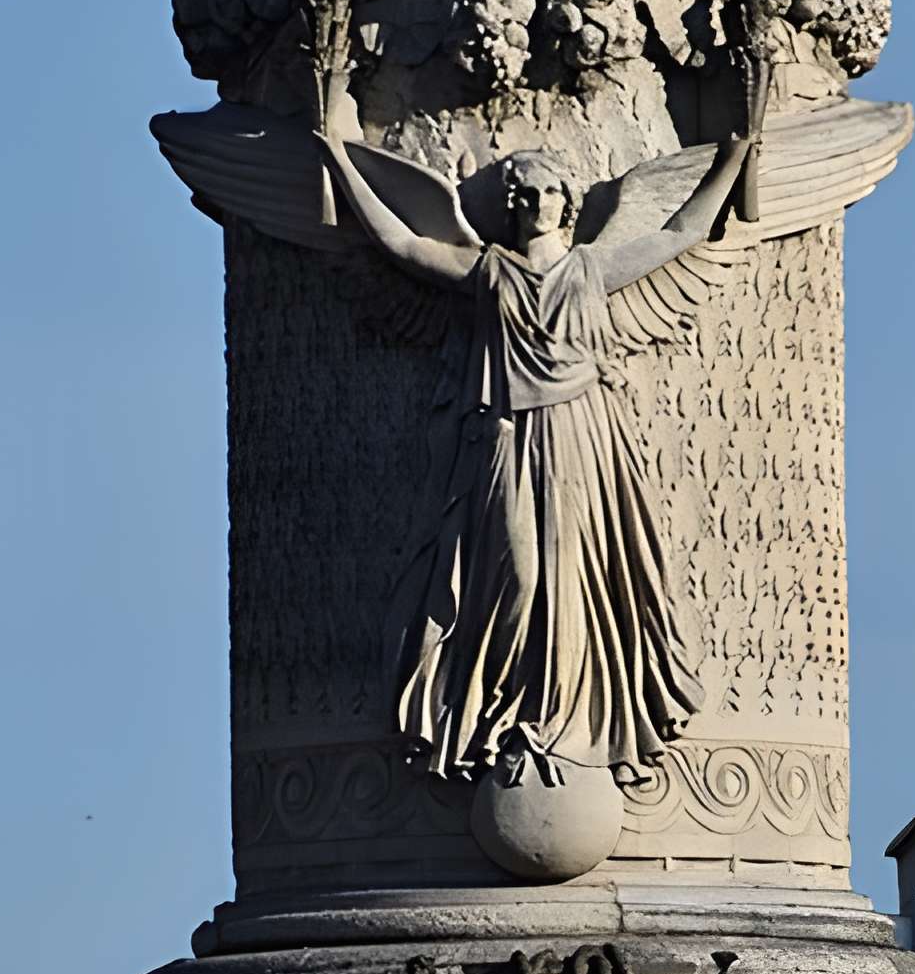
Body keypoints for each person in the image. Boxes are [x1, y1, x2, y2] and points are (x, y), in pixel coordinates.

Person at [319, 118, 758, 784]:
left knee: (577, 579)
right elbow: (402, 243)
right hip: (507, 437)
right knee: (516, 577)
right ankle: (503, 714)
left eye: (548, 192)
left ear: (566, 202)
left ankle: (563, 725)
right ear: (512, 206)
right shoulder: (488, 272)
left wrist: (733, 159)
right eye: (524, 195)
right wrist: (340, 162)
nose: (536, 204)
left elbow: (679, 234)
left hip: (580, 434)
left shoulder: (590, 268)